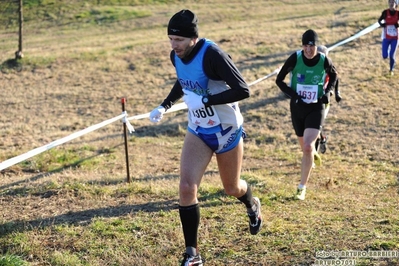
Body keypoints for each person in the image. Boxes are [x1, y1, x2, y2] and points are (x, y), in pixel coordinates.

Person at [148, 9, 262, 266]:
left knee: (232, 188)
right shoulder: (175, 55)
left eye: (178, 40)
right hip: (198, 130)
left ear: (192, 39)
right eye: (170, 39)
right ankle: (193, 255)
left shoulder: (213, 55)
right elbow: (183, 81)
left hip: (226, 131)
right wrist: (164, 105)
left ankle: (252, 203)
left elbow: (243, 90)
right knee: (187, 188)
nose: (173, 45)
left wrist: (208, 99)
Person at [275, 29, 338, 200]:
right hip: (297, 108)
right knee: (305, 148)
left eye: (312, 46)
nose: (309, 50)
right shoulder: (295, 58)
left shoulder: (324, 60)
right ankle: (314, 151)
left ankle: (302, 187)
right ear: (302, 46)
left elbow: (334, 75)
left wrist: (328, 92)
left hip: (316, 107)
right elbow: (279, 80)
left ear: (316, 46)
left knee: (308, 146)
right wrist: (294, 95)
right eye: (306, 46)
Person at [314, 45, 342, 154]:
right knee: (313, 127)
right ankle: (323, 139)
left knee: (316, 126)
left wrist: (336, 93)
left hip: (325, 101)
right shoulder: (312, 66)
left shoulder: (329, 67)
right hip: (312, 100)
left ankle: (314, 154)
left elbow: (336, 79)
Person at [377, 0, 399, 76]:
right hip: (386, 37)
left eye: (393, 2)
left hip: (395, 38)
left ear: (396, 4)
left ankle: (391, 70)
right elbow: (379, 20)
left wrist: (398, 24)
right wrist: (382, 24)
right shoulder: (385, 12)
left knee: (392, 55)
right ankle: (388, 51)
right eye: (390, 2)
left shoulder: (398, 13)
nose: (391, 3)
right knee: (385, 56)